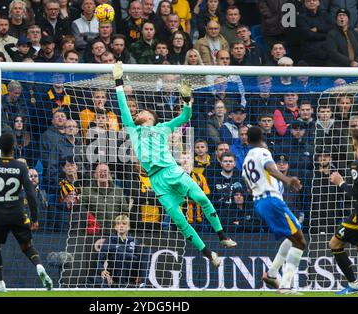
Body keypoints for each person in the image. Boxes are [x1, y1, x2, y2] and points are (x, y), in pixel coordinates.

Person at [113, 61, 237, 268]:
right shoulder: (133, 130)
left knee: (201, 198)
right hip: (156, 180)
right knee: (180, 221)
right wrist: (118, 81)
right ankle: (209, 254)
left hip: (172, 170)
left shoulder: (163, 127)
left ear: (151, 116)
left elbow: (185, 116)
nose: (136, 114)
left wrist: (187, 100)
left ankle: (222, 235)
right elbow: (123, 106)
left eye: (141, 112)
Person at [0, 133, 53, 292]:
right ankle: (39, 267)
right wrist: (35, 218)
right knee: (27, 247)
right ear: (13, 148)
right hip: (18, 214)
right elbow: (32, 194)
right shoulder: (20, 167)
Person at [242, 126, 306, 294]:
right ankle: (284, 286)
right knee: (300, 241)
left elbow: (248, 186)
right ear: (262, 137)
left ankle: (271, 274)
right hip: (271, 200)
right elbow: (271, 168)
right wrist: (288, 179)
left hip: (259, 203)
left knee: (292, 236)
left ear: (247, 140)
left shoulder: (246, 160)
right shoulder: (263, 152)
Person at [329, 128, 358, 295]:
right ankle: (355, 286)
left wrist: (340, 182)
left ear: (354, 142)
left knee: (334, 243)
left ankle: (354, 285)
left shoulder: (357, 164)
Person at [96, 214, 149, 288]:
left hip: (131, 271)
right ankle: (122, 285)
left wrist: (139, 274)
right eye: (118, 224)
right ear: (115, 227)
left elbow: (139, 258)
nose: (121, 226)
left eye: (124, 224)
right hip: (115, 271)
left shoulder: (134, 241)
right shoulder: (110, 241)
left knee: (147, 252)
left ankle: (143, 284)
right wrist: (101, 270)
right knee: (122, 254)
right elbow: (100, 259)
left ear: (128, 227)